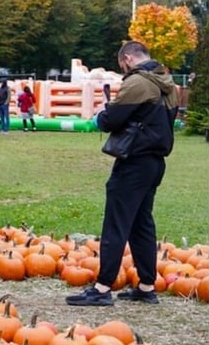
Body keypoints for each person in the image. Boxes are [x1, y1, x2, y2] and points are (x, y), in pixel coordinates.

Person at [67, 41, 179, 307]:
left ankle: (103, 288)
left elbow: (113, 119)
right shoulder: (168, 83)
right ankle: (147, 285)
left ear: (128, 58)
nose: (123, 69)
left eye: (122, 65)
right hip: (155, 161)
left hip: (134, 161)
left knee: (116, 223)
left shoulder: (138, 83)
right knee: (141, 224)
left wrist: (99, 118)